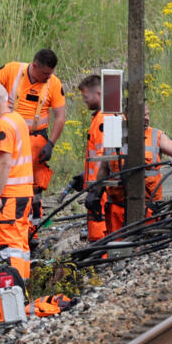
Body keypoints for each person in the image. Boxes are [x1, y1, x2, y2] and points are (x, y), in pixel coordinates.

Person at [0, 49, 66, 232]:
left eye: (51, 73)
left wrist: (51, 143)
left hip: (36, 140)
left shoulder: (53, 83)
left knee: (35, 187)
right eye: (46, 73)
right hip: (11, 136)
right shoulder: (14, 70)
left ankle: (32, 231)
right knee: (6, 181)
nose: (49, 77)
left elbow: (60, 116)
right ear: (35, 65)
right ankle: (5, 220)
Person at [94, 104, 172, 235]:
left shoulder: (155, 135)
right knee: (118, 247)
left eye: (148, 114)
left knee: (147, 243)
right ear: (128, 116)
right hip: (117, 210)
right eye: (143, 115)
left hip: (149, 208)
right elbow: (104, 169)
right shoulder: (114, 135)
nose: (147, 118)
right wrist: (96, 193)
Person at [0, 83, 34, 280]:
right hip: (24, 193)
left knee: (9, 245)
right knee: (20, 244)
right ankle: (24, 285)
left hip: (9, 195)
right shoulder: (18, 120)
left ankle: (13, 289)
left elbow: (4, 161)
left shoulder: (3, 124)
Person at [75, 74, 108, 242]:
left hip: (102, 190)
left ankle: (101, 259)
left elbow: (105, 156)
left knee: (100, 232)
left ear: (99, 93)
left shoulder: (104, 119)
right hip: (98, 186)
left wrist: (96, 189)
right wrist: (84, 175)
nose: (84, 101)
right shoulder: (99, 118)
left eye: (86, 97)